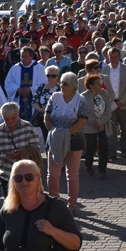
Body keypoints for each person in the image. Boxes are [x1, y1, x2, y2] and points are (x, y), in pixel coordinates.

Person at [45, 72, 91, 214]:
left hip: (74, 140)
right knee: (52, 173)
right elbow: (47, 116)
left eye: (65, 84)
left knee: (72, 174)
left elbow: (83, 120)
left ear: (73, 86)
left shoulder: (80, 99)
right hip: (55, 140)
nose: (61, 86)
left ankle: (71, 205)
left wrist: (66, 133)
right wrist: (55, 132)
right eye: (61, 83)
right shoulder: (55, 97)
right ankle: (55, 202)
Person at [0, 102, 43, 196]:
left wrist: (23, 153)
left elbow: (36, 147)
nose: (10, 122)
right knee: (11, 206)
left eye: (13, 118)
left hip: (27, 175)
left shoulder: (27, 127)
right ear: (3, 118)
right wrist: (5, 156)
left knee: (29, 203)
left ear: (18, 115)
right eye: (7, 119)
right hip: (7, 175)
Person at [81, 75, 113, 178]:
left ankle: (102, 170)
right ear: (91, 85)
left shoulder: (104, 93)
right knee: (91, 147)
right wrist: (95, 122)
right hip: (90, 126)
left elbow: (108, 110)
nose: (101, 84)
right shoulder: (83, 96)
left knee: (104, 146)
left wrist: (101, 122)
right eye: (98, 83)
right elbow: (82, 113)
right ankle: (88, 165)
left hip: (103, 125)